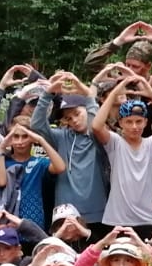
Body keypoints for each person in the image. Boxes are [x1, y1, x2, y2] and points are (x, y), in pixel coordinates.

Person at [93, 77, 152, 235]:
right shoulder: (115, 143)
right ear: (120, 123)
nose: (134, 126)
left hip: (148, 219)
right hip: (117, 220)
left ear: (146, 122)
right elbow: (96, 126)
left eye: (139, 121)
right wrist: (114, 95)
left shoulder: (151, 144)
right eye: (129, 122)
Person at [30, 74, 110, 233]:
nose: (73, 120)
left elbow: (96, 123)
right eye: (68, 118)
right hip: (65, 214)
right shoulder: (61, 137)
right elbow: (37, 124)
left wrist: (88, 96)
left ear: (87, 110)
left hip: (97, 213)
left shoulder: (99, 137)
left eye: (77, 114)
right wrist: (47, 93)